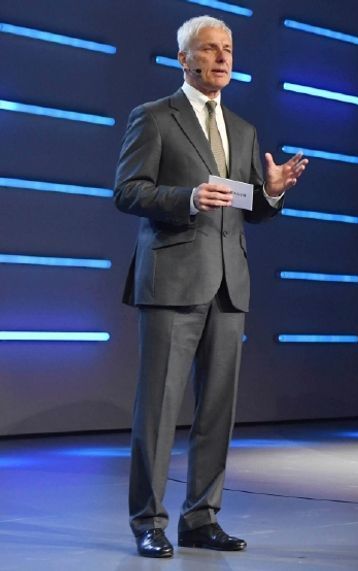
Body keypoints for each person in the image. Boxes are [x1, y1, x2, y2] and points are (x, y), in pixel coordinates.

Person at [114, 15, 308, 558]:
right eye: (209, 49)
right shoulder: (154, 118)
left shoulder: (242, 129)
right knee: (157, 410)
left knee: (217, 411)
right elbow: (127, 191)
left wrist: (268, 192)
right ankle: (148, 522)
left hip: (228, 285)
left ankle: (201, 518)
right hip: (171, 281)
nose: (222, 57)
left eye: (228, 48)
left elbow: (248, 208)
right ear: (184, 59)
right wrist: (186, 199)